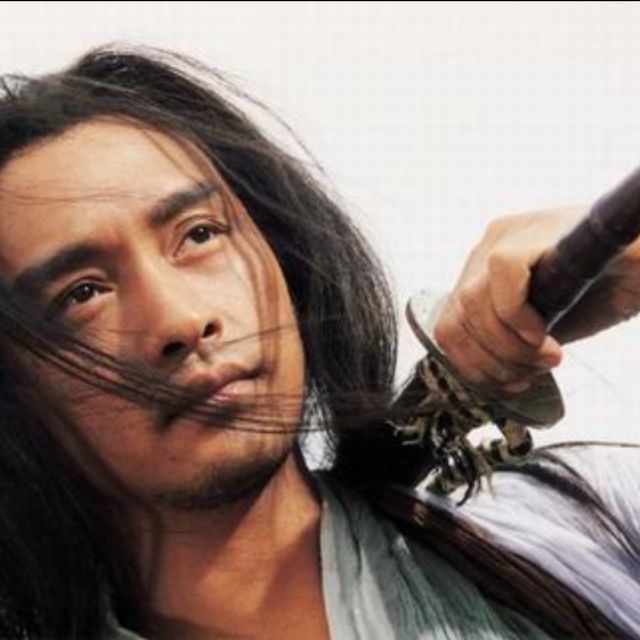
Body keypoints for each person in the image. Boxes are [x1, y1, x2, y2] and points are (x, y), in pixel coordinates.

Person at [0, 45, 638, 640]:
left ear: (283, 255)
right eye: (81, 294)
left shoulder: (577, 523)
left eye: (198, 235)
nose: (182, 320)